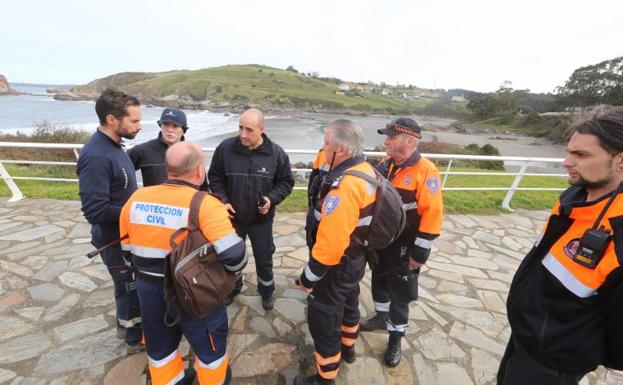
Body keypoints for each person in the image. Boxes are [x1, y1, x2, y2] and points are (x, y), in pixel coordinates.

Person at [498, 111, 623, 385]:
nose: (567, 163)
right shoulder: (574, 197)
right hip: (526, 335)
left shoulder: (619, 232)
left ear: (620, 160)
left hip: (555, 360)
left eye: (582, 155)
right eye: (569, 152)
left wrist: (572, 346)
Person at [120, 141, 247, 385]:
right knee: (211, 351)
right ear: (200, 171)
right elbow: (235, 256)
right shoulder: (205, 204)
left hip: (149, 290)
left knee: (160, 351)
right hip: (195, 292)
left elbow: (126, 250)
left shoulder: (136, 198)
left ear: (167, 169)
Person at [295, 119, 376, 385]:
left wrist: (309, 277)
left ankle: (325, 377)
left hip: (338, 264)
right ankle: (348, 347)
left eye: (326, 142)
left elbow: (330, 245)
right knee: (350, 301)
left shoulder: (346, 185)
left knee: (323, 317)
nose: (323, 146)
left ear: (340, 149)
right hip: (355, 258)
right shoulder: (367, 170)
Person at [360, 117, 443, 367]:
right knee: (379, 280)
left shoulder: (427, 171)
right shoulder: (385, 165)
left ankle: (396, 335)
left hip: (405, 246)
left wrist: (420, 253)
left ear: (409, 141)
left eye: (391, 138)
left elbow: (433, 214)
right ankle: (380, 316)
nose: (385, 142)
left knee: (401, 294)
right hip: (381, 242)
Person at [76, 88, 143, 351]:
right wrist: (138, 212)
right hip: (113, 240)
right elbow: (94, 211)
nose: (139, 126)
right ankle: (132, 337)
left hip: (127, 235)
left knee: (132, 286)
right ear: (113, 120)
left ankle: (129, 326)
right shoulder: (95, 156)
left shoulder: (115, 146)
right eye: (134, 121)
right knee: (128, 288)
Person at [208, 108, 294, 310]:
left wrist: (271, 199)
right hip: (231, 218)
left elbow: (286, 183)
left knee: (264, 258)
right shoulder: (225, 148)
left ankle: (266, 292)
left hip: (261, 221)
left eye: (249, 130)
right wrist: (222, 199)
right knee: (230, 257)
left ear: (262, 129)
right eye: (240, 128)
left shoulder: (277, 154)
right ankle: (232, 288)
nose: (243, 134)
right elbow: (215, 177)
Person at [128, 108, 189, 186]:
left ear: (184, 130)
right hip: (151, 198)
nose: (170, 130)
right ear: (160, 126)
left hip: (184, 198)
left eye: (175, 126)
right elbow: (118, 172)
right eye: (166, 124)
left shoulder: (191, 154)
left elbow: (201, 188)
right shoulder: (142, 151)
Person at [305, 147, 330, 250]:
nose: (325, 145)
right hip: (315, 208)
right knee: (311, 241)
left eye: (328, 142)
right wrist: (310, 205)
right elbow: (313, 179)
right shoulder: (323, 152)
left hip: (330, 212)